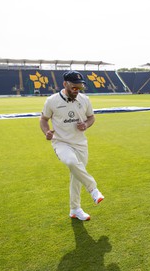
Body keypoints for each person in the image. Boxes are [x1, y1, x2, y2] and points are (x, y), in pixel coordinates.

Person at [40, 70, 104, 221]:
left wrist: (86, 125)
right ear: (65, 84)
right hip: (61, 142)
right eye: (74, 88)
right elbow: (43, 119)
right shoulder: (52, 101)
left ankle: (75, 209)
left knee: (76, 177)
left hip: (80, 143)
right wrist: (46, 132)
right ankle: (93, 189)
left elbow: (91, 117)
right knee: (70, 162)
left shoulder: (85, 99)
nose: (77, 91)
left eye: (80, 88)